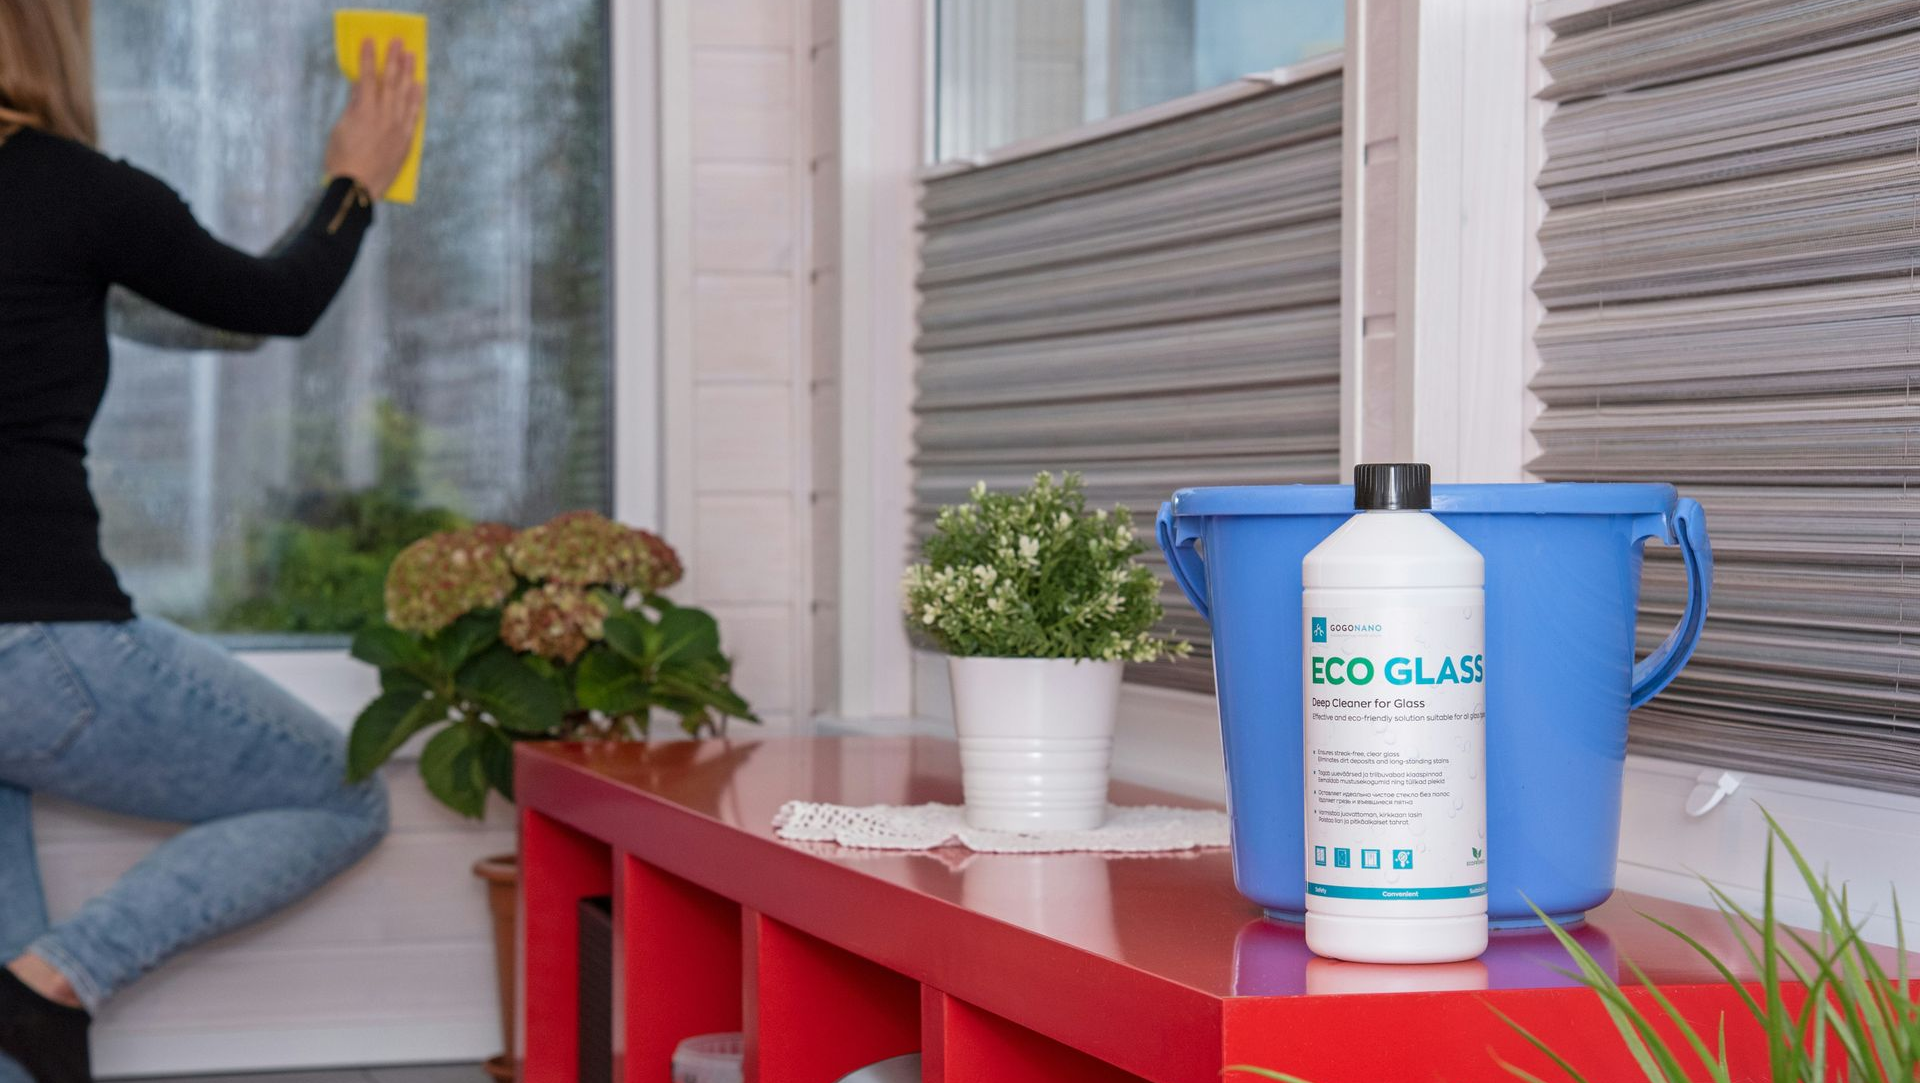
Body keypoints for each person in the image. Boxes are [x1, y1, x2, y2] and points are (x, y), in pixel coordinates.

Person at [0, 1, 423, 1079]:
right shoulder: (67, 186)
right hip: (31, 640)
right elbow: (269, 302)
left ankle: (28, 992)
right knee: (340, 793)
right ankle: (61, 977)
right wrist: (354, 179)